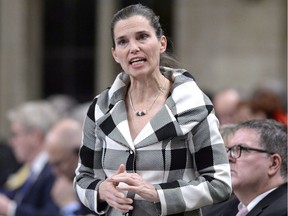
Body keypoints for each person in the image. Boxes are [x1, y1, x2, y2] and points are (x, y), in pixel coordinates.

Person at [74, 3, 231, 216]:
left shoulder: (192, 105)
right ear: (115, 54)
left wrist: (157, 193)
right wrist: (101, 191)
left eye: (142, 37)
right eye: (123, 41)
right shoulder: (100, 108)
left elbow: (219, 183)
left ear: (162, 43)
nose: (133, 48)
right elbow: (83, 177)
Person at [206, 119, 287, 216]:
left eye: (241, 149)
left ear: (273, 163)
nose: (227, 158)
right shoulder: (220, 209)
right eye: (228, 150)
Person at [0, 101, 59, 216]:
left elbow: (53, 213)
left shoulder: (54, 170)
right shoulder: (31, 170)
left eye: (15, 134)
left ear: (35, 137)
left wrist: (10, 210)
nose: (12, 143)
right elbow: (12, 194)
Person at [45, 118, 97, 216]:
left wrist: (70, 207)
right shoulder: (62, 184)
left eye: (59, 164)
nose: (55, 171)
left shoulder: (100, 184)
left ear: (79, 153)